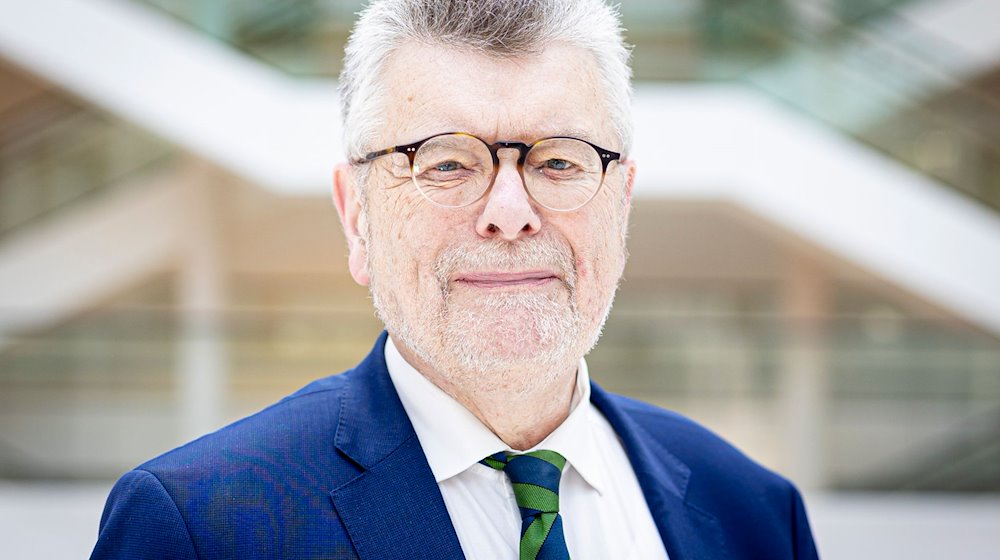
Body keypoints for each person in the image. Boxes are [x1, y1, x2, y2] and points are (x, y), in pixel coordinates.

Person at [92, 1, 820, 559]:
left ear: (620, 205)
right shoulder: (201, 527)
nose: (510, 213)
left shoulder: (753, 513)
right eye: (446, 162)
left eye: (559, 161)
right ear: (357, 218)